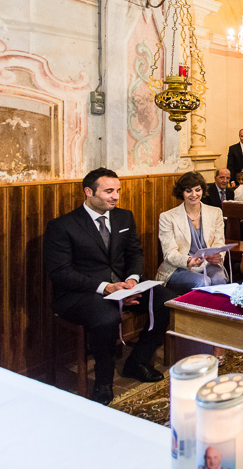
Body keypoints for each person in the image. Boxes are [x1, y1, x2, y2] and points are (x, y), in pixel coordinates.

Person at [43, 168, 172, 405]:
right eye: (109, 191)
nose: (116, 196)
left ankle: (138, 361)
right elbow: (61, 273)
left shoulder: (124, 217)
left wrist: (133, 281)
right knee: (106, 317)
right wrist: (106, 288)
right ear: (89, 192)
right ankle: (104, 382)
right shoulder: (62, 226)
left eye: (118, 191)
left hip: (123, 286)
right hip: (82, 293)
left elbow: (135, 253)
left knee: (165, 299)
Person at [157, 171, 228, 295]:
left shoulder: (215, 212)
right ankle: (198, 314)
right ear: (182, 193)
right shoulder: (167, 217)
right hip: (179, 268)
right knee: (202, 282)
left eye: (198, 190)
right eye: (188, 191)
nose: (194, 194)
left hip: (208, 264)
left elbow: (219, 242)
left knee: (219, 279)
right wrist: (188, 260)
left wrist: (218, 255)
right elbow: (169, 253)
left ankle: (215, 314)